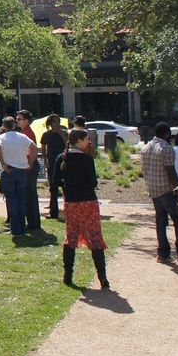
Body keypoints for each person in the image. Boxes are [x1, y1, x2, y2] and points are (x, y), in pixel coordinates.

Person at [54, 129, 109, 288]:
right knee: (95, 236)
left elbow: (55, 181)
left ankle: (68, 275)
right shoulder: (86, 158)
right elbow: (93, 182)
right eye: (86, 139)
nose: (88, 142)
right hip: (88, 202)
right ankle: (102, 277)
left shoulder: (62, 158)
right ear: (78, 141)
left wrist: (68, 185)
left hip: (71, 202)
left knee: (71, 237)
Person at [140, 122, 178, 263]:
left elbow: (143, 170)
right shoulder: (166, 148)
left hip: (153, 190)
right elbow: (170, 172)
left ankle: (163, 253)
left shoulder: (145, 148)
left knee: (161, 222)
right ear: (167, 133)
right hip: (167, 190)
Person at [0, 116, 37, 236]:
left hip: (8, 171)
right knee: (21, 199)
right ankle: (22, 227)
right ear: (14, 125)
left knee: (11, 199)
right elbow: (34, 148)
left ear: (4, 126)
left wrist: (3, 163)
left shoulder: (1, 137)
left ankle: (15, 228)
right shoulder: (22, 136)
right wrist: (30, 163)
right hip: (21, 170)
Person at [16, 110, 41, 231]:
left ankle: (33, 223)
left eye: (19, 119)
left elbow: (32, 151)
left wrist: (29, 164)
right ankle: (32, 222)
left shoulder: (27, 133)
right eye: (17, 118)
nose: (17, 121)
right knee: (29, 195)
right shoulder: (24, 132)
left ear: (26, 120)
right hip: (27, 165)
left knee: (30, 195)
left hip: (29, 166)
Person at [40, 115, 67, 219]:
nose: (57, 124)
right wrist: (45, 161)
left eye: (58, 121)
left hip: (63, 164)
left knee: (65, 187)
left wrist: (62, 135)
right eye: (55, 122)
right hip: (52, 164)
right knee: (53, 188)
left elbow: (68, 146)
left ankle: (68, 210)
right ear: (50, 123)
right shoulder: (46, 134)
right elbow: (43, 148)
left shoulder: (64, 133)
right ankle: (53, 212)